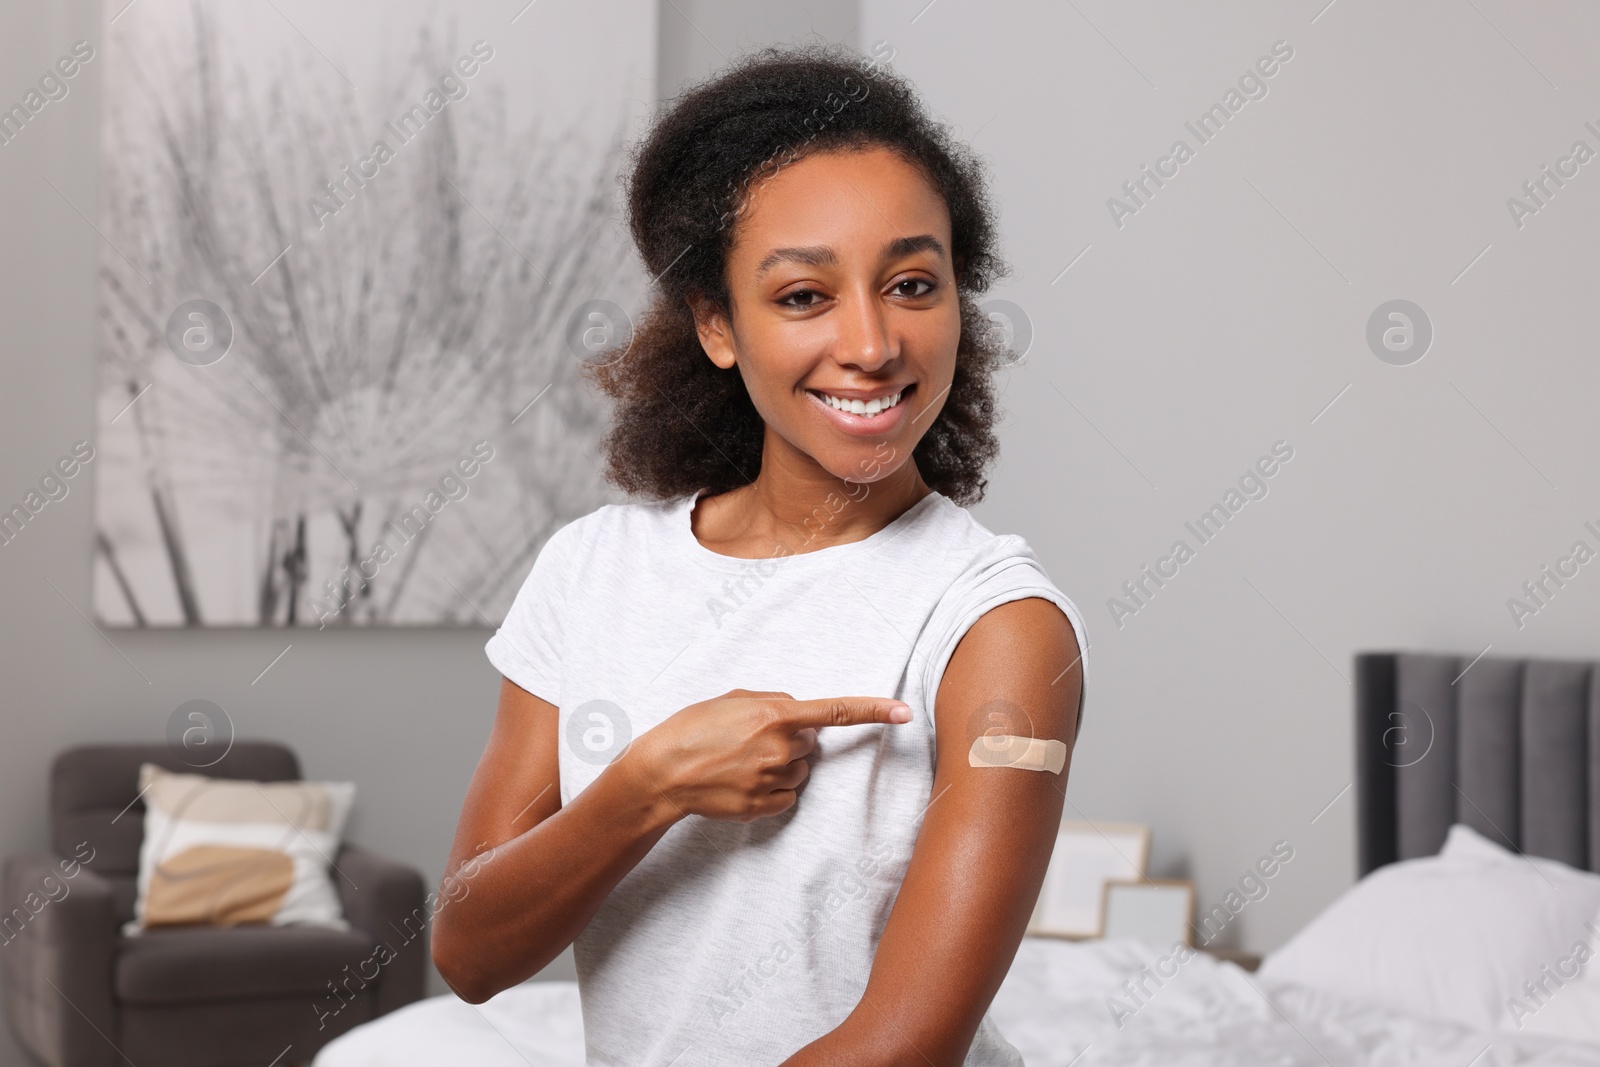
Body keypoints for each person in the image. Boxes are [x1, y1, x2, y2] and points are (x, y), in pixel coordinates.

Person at [432, 41, 1089, 1066]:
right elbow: (470, 948)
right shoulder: (589, 572)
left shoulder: (997, 623)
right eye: (801, 296)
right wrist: (649, 782)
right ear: (717, 324)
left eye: (913, 283)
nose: (871, 343)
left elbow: (902, 1045)